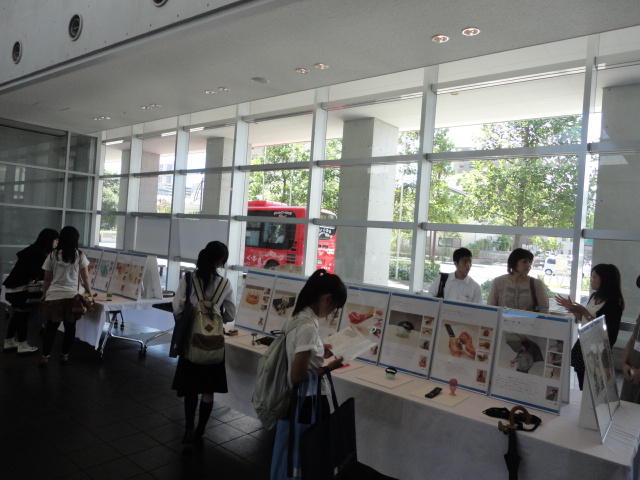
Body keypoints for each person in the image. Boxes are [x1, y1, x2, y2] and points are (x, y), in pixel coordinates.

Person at [271, 269, 347, 479]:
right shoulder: (308, 327)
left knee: (292, 453)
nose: (333, 313)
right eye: (335, 307)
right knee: (306, 456)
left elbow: (301, 353)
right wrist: (329, 368)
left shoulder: (298, 316)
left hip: (296, 401)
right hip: (307, 402)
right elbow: (297, 376)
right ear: (327, 299)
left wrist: (320, 350)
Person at [170, 241, 235, 451]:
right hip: (213, 345)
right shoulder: (225, 284)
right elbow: (230, 314)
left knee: (191, 389)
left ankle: (188, 429)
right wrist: (215, 317)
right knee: (208, 390)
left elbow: (178, 308)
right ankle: (201, 430)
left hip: (192, 342)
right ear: (220, 261)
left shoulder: (188, 279)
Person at [555, 264, 624, 390]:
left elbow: (605, 329)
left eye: (594, 277)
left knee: (594, 387)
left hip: (598, 349)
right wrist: (574, 310)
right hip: (583, 343)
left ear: (605, 279)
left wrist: (584, 311)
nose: (591, 280)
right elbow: (583, 319)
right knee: (581, 379)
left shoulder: (614, 303)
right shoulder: (594, 296)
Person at [40, 226, 93, 366]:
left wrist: (44, 294)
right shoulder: (80, 255)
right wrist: (89, 293)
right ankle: (64, 355)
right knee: (70, 328)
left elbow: (47, 279)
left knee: (51, 328)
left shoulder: (52, 255)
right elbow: (86, 278)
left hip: (54, 296)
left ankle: (45, 356)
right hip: (72, 297)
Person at [2, 228, 58, 354]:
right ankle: (22, 344)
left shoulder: (33, 249)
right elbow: (39, 274)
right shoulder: (39, 254)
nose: (57, 243)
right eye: (56, 240)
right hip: (20, 290)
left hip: (13, 288)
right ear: (50, 240)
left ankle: (9, 341)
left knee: (17, 315)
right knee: (22, 316)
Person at [488, 248, 549, 313]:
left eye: (530, 262)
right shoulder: (498, 282)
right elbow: (490, 308)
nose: (529, 265)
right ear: (514, 262)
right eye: (524, 262)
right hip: (502, 319)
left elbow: (544, 310)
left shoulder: (537, 284)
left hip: (529, 319)